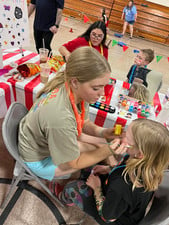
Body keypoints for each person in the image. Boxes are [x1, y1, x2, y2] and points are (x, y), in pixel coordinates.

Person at [18, 46, 124, 182]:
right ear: (75, 82)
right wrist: (107, 151)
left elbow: (83, 123)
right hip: (36, 159)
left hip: (37, 139)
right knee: (98, 150)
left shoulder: (76, 89)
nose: (102, 93)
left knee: (100, 145)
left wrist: (103, 132)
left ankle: (108, 165)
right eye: (96, 88)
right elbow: (75, 163)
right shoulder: (60, 117)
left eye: (104, 86)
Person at [59, 119, 169, 225]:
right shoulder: (139, 161)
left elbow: (107, 217)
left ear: (140, 154)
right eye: (126, 131)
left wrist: (97, 188)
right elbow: (122, 166)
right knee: (90, 166)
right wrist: (108, 169)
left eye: (127, 137)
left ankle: (63, 198)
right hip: (116, 195)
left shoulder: (121, 186)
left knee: (72, 188)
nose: (122, 135)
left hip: (114, 217)